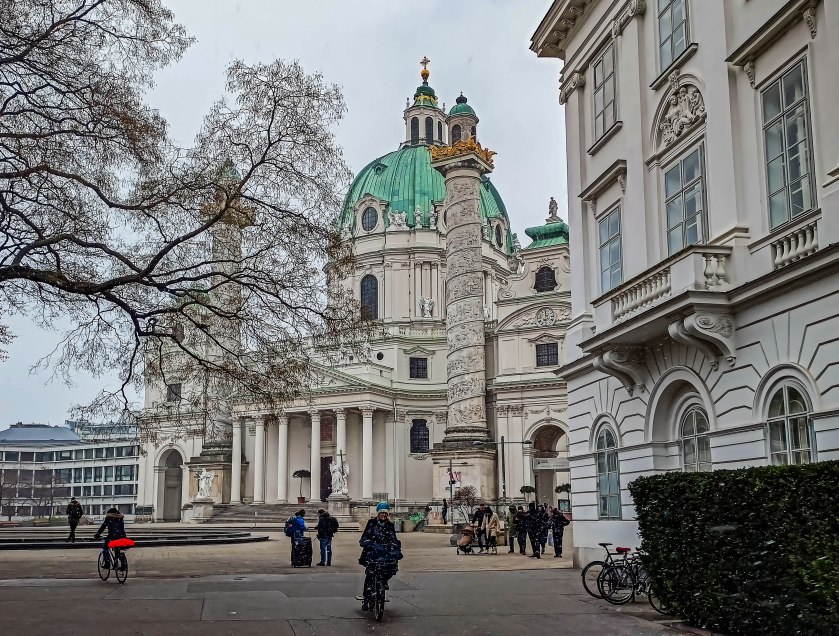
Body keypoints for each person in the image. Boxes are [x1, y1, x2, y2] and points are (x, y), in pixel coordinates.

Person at [356, 501, 402, 611]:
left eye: (386, 513)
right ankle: (366, 599)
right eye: (382, 513)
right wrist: (370, 543)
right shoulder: (371, 523)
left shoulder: (389, 525)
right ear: (378, 513)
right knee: (370, 576)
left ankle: (383, 582)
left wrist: (395, 544)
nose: (384, 515)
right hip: (372, 554)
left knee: (390, 569)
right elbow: (364, 538)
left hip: (384, 555)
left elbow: (393, 538)